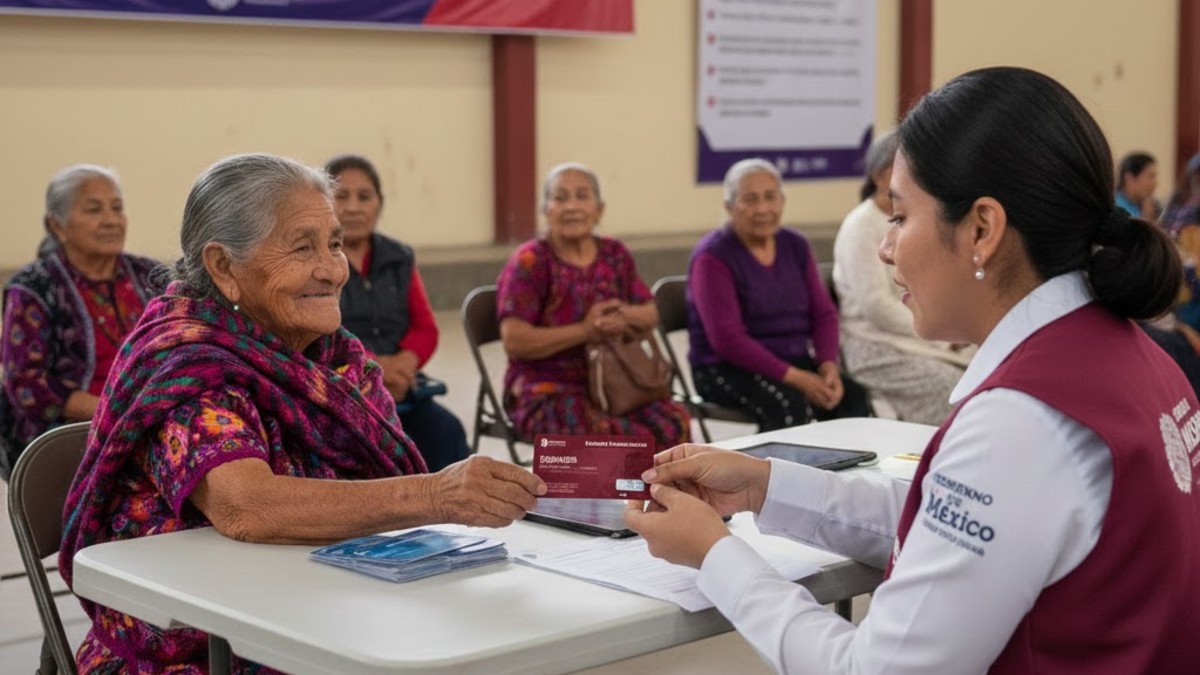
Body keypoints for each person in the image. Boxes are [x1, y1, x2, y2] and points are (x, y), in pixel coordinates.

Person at [627, 67, 1200, 672]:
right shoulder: (1124, 351)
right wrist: (766, 486)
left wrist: (715, 556)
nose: (885, 246)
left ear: (982, 229)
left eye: (900, 216)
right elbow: (966, 538)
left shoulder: (1023, 419)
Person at [59, 153, 546, 673]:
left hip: (326, 607)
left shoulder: (336, 358)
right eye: (302, 247)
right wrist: (436, 494)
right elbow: (246, 505)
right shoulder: (185, 362)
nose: (333, 269)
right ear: (224, 267)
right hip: (205, 642)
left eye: (334, 243)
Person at [496, 162, 689, 449]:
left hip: (619, 383)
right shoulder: (531, 261)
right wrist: (586, 331)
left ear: (600, 209)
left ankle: (653, 494)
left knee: (673, 421)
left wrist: (622, 316)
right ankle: (623, 494)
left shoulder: (614, 254)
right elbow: (515, 340)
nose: (572, 206)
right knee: (601, 436)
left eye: (582, 196)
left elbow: (650, 312)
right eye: (560, 198)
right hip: (550, 389)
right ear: (546, 209)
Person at [687, 158, 872, 431]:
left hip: (792, 360)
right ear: (729, 207)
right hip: (724, 368)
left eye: (770, 197)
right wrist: (798, 379)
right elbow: (727, 339)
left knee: (852, 397)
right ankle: (772, 474)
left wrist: (827, 366)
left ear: (782, 202)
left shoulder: (795, 245)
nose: (762, 208)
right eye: (750, 199)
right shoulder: (712, 257)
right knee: (789, 404)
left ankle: (838, 472)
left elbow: (823, 314)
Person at [0, 164, 159, 478]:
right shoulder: (34, 287)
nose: (111, 220)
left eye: (117, 208)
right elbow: (27, 384)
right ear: (56, 225)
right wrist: (115, 412)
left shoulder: (151, 277)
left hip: (152, 420)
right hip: (71, 435)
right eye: (94, 209)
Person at [325, 154, 469, 471]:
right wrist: (376, 369)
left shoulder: (399, 257)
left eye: (365, 197)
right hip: (344, 391)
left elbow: (425, 328)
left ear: (379, 204)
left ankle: (451, 517)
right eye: (341, 196)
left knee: (446, 432)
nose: (353, 208)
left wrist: (403, 364)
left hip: (403, 387)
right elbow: (320, 335)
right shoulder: (317, 259)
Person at [832, 131, 970, 425]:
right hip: (873, 344)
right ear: (882, 175)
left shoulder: (921, 217)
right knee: (952, 391)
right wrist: (940, 336)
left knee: (988, 379)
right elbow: (876, 306)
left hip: (919, 333)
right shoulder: (861, 227)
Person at [1114, 151, 1160, 221]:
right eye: (1150, 177)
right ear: (1130, 178)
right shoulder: (1118, 208)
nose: (1155, 183)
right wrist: (1147, 218)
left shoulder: (1147, 204)